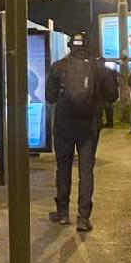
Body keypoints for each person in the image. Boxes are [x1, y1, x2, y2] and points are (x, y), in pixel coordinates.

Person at [44, 31, 118, 233]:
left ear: (70, 45)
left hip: (64, 125)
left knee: (63, 167)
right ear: (88, 45)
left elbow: (50, 97)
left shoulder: (59, 66)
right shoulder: (99, 67)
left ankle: (62, 212)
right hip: (89, 126)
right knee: (86, 171)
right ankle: (83, 218)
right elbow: (112, 95)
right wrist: (97, 101)